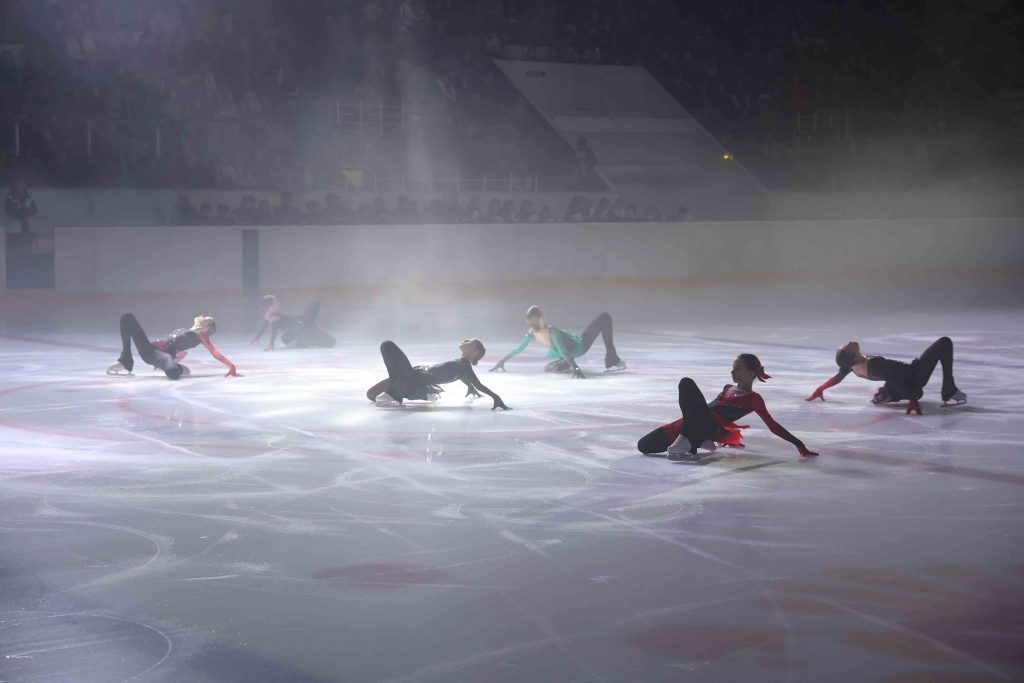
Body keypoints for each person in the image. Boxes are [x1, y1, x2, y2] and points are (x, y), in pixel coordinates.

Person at [638, 354, 818, 460]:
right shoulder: (727, 388)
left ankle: (691, 440)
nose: (732, 372)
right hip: (693, 423)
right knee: (644, 446)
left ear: (751, 373)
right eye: (732, 368)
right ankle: (696, 440)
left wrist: (799, 444)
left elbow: (773, 425)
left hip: (708, 425)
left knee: (686, 382)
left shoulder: (754, 399)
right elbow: (702, 408)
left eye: (737, 369)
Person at [806, 337, 966, 415]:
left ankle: (889, 394)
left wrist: (820, 389)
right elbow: (894, 379)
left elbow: (838, 378)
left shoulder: (852, 367)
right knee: (944, 342)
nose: (850, 342)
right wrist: (913, 399)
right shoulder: (874, 363)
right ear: (854, 356)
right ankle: (949, 388)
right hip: (914, 375)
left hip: (897, 380)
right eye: (848, 347)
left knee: (897, 384)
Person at [367, 339, 509, 410]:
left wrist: (496, 397)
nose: (465, 341)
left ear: (475, 351)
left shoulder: (465, 365)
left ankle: (396, 392)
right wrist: (470, 387)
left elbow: (478, 384)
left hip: (413, 379)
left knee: (387, 345)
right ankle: (397, 391)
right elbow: (465, 378)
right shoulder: (462, 366)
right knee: (371, 395)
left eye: (469, 341)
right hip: (411, 378)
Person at [491, 306, 625, 378]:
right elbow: (564, 351)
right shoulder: (552, 331)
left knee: (563, 354)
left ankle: (564, 363)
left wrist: (502, 361)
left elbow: (519, 349)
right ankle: (612, 358)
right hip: (577, 348)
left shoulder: (532, 332)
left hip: (563, 352)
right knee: (604, 317)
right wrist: (576, 368)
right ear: (542, 317)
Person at [107, 314, 241, 380]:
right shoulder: (189, 330)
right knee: (127, 318)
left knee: (173, 374)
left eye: (205, 317)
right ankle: (126, 360)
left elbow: (214, 352)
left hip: (162, 355)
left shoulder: (201, 335)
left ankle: (176, 368)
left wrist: (231, 365)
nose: (201, 315)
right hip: (150, 350)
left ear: (206, 327)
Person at [250, 295, 336, 350]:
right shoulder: (269, 314)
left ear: (270, 304)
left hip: (303, 328)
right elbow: (264, 327)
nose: (263, 305)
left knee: (330, 342)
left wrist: (271, 345)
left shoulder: (274, 315)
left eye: (265, 303)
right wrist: (257, 337)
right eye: (263, 303)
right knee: (286, 339)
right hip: (297, 330)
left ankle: (307, 341)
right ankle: (305, 342)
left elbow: (274, 330)